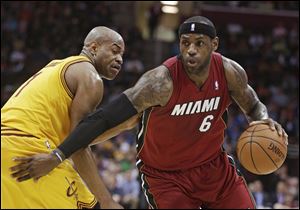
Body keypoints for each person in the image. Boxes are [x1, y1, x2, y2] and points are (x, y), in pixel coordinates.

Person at [10, 16, 288, 209]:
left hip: (213, 167)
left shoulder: (229, 72)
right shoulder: (159, 82)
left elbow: (253, 105)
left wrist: (263, 121)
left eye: (199, 43)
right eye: (185, 42)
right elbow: (104, 119)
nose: (190, 50)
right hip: (166, 177)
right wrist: (61, 153)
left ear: (214, 45)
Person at [1, 26, 139, 209]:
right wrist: (108, 201)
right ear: (94, 47)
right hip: (26, 147)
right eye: (114, 51)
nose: (120, 59)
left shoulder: (58, 64)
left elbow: (78, 138)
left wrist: (121, 126)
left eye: (122, 55)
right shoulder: (90, 77)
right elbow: (79, 145)